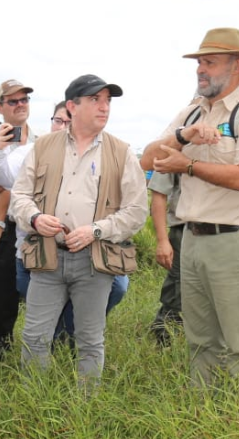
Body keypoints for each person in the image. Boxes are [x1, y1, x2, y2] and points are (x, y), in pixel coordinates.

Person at [141, 28, 239, 385]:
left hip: (235, 240)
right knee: (199, 340)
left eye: (210, 62)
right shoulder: (191, 113)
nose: (200, 69)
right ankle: (203, 413)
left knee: (238, 342)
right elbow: (147, 159)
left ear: (237, 66)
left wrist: (186, 165)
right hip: (192, 238)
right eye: (199, 62)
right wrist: (184, 137)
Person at [10, 74, 146, 380]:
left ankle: (85, 409)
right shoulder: (44, 146)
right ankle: (36, 405)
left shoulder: (121, 152)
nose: (104, 107)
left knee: (89, 342)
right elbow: (19, 195)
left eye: (108, 101)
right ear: (72, 106)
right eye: (95, 100)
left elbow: (137, 211)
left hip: (94, 261)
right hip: (46, 258)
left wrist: (95, 230)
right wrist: (35, 218)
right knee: (34, 339)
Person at [0, 80, 33, 358]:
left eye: (24, 100)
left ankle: (43, 345)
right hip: (2, 229)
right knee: (3, 295)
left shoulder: (42, 140)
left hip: (34, 228)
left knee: (38, 291)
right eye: (12, 101)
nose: (20, 105)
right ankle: (1, 353)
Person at [148, 167, 184, 345]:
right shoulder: (174, 143)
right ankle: (165, 341)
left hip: (233, 231)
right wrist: (162, 240)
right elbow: (158, 193)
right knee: (178, 289)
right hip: (185, 229)